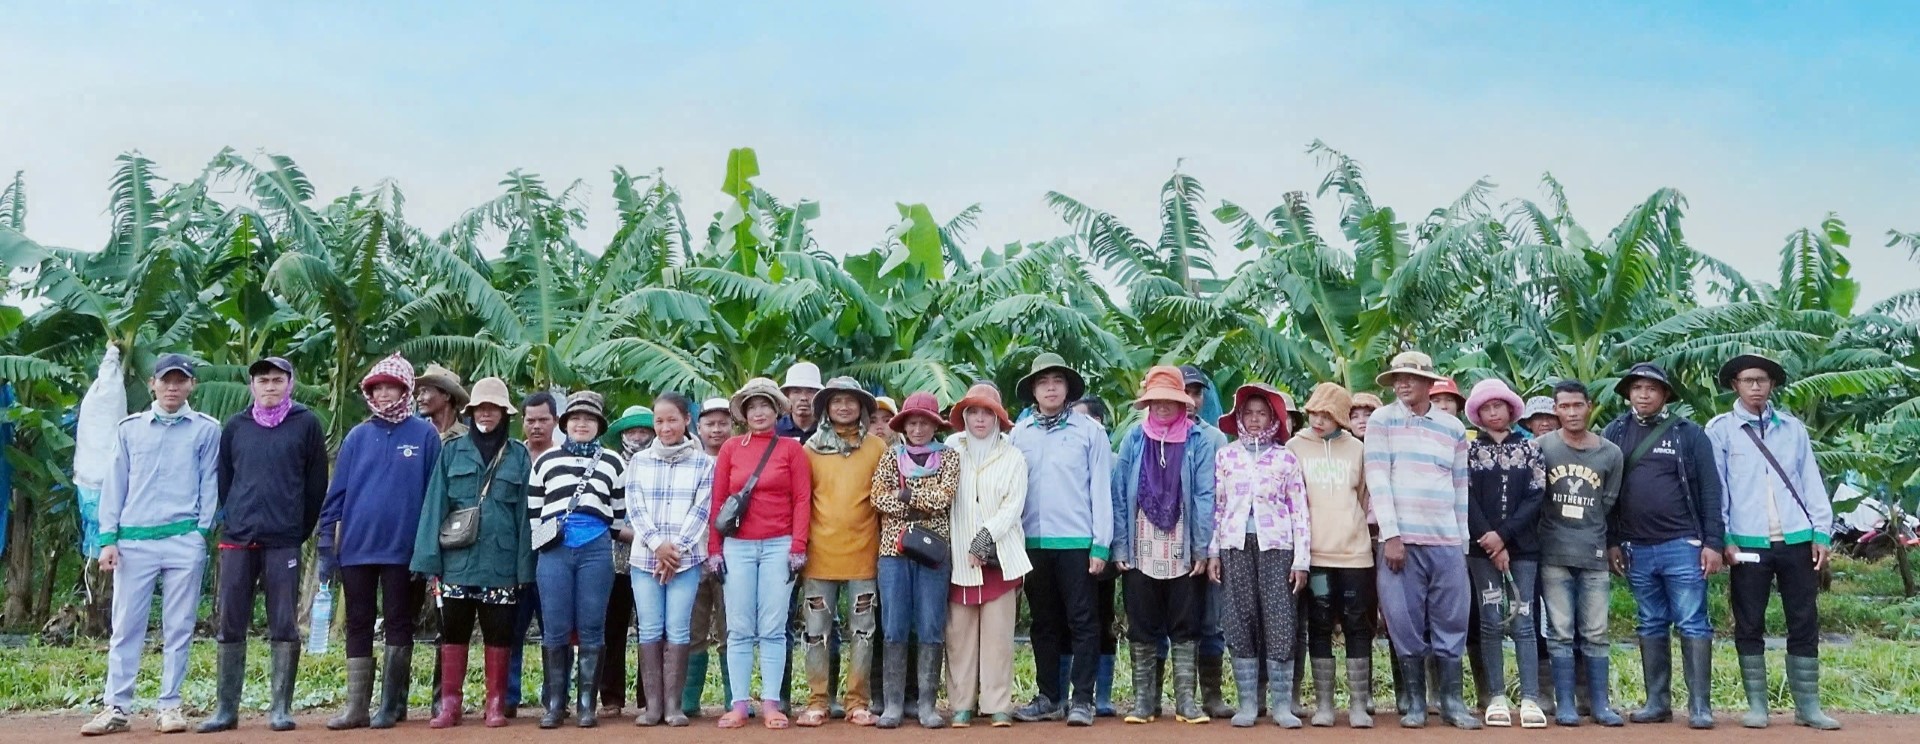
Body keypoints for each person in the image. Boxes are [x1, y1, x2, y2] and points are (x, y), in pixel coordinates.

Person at [79, 354, 222, 738]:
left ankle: (170, 706)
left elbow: (211, 483)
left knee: (179, 627)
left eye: (181, 380)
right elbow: (115, 484)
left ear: (192, 385)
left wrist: (200, 532)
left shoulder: (207, 430)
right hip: (134, 541)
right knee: (126, 627)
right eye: (166, 380)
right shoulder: (130, 430)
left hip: (183, 540)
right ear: (152, 384)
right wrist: (107, 538)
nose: (173, 387)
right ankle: (117, 707)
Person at [1707, 354, 1840, 730]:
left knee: (1804, 619)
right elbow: (1717, 490)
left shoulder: (1792, 429)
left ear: (1772, 385)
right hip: (1747, 541)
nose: (1755, 387)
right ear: (1735, 384)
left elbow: (1810, 480)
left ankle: (1808, 707)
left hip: (1796, 538)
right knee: (1749, 621)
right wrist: (1725, 537)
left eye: (1762, 381)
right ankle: (1757, 706)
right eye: (1748, 380)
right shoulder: (1720, 430)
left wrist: (1821, 531)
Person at [199, 357, 328, 733]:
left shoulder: (305, 424)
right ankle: (226, 710)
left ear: (290, 383)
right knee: (230, 623)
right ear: (251, 386)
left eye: (277, 380)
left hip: (283, 540)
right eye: (262, 380)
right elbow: (226, 481)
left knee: (284, 623)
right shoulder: (236, 426)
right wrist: (237, 519)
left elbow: (315, 485)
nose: (269, 386)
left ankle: (280, 709)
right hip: (238, 540)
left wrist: (294, 529)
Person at [318, 353, 442, 731]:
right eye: (377, 388)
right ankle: (356, 706)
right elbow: (336, 495)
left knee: (398, 622)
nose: (384, 394)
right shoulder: (358, 436)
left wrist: (428, 551)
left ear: (405, 390)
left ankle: (391, 705)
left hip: (403, 551)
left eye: (391, 387)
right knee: (358, 622)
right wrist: (326, 542)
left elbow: (435, 495)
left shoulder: (424, 435)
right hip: (357, 548)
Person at [1601, 363, 1724, 730]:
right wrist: (1611, 541)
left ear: (1665, 394)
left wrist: (1713, 543)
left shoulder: (1690, 435)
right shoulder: (1614, 433)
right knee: (1651, 620)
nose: (1643, 394)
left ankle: (1700, 706)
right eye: (1636, 388)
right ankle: (1657, 702)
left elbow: (1711, 491)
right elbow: (1606, 493)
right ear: (1628, 394)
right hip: (1635, 546)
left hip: (1682, 544)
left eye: (1652, 388)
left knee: (1692, 621)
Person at [411, 377, 534, 729]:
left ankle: (495, 705)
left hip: (501, 563)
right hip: (457, 563)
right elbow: (434, 506)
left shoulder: (518, 456)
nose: (486, 414)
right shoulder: (452, 451)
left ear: (504, 414)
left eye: (493, 409)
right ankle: (450, 705)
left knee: (499, 635)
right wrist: (428, 561)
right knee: (453, 633)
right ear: (471, 412)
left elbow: (525, 516)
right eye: (481, 408)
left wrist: (525, 569)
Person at [1365, 350, 1477, 730]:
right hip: (1401, 541)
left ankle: (1452, 702)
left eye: (1410, 376)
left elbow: (1460, 487)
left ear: (1430, 383)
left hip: (1445, 540)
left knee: (1452, 620)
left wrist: (1461, 544)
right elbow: (1378, 480)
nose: (1402, 382)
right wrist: (1392, 535)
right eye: (1397, 376)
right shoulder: (1382, 421)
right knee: (1404, 620)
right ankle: (1415, 703)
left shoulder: (1453, 428)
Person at [1111, 367, 1220, 726]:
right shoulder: (1133, 438)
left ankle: (1187, 702)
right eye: (1155, 400)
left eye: (1169, 400)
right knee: (1142, 622)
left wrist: (1202, 549)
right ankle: (1145, 701)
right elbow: (1119, 494)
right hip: (1141, 545)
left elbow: (1205, 494)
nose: (1161, 406)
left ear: (1181, 403)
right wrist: (1121, 547)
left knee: (1186, 623)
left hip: (1182, 544)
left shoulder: (1198, 440)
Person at [1009, 353, 1113, 726]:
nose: (1050, 387)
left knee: (1084, 622)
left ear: (1067, 388)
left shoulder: (1089, 432)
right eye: (1043, 382)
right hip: (1033, 544)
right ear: (1034, 390)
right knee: (1043, 623)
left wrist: (1101, 545)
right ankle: (1049, 696)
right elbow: (1011, 493)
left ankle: (1082, 699)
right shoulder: (1019, 434)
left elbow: (1101, 490)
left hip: (1077, 543)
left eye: (1057, 380)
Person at [706, 378, 812, 730]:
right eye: (752, 407)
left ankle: (770, 702)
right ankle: (738, 704)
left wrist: (798, 546)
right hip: (737, 546)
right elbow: (718, 501)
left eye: (765, 405)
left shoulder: (791, 450)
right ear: (745, 413)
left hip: (779, 544)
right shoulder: (731, 449)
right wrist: (714, 549)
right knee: (738, 628)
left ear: (775, 410)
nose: (759, 412)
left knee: (772, 627)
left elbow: (801, 499)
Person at [1211, 383, 1310, 728]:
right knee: (1240, 620)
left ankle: (1281, 706)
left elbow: (1299, 510)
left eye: (1261, 414)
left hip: (1278, 547)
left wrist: (1302, 560)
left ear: (1273, 419)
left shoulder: (1285, 458)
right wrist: (1213, 552)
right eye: (1248, 414)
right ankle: (1248, 704)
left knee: (1281, 619)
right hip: (1234, 546)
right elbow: (1218, 507)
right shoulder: (1226, 455)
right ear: (1239, 417)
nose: (1254, 420)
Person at [529, 391, 629, 729]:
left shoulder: (613, 462)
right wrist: (551, 538)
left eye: (589, 419)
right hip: (554, 550)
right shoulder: (545, 461)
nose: (582, 423)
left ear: (599, 426)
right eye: (575, 419)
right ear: (566, 424)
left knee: (591, 625)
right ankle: (555, 703)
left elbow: (618, 515)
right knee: (555, 625)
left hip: (596, 549)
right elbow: (534, 512)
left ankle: (587, 704)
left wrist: (595, 531)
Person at [796, 377, 888, 727]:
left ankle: (857, 702)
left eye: (851, 401)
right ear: (826, 408)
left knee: (863, 632)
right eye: (837, 402)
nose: (844, 407)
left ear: (863, 408)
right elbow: (802, 501)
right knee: (816, 632)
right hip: (820, 555)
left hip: (864, 554)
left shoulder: (877, 448)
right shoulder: (810, 450)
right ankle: (818, 700)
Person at [1287, 382, 1376, 729]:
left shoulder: (1357, 449)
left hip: (1355, 555)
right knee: (1319, 625)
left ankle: (1357, 706)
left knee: (1358, 625)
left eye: (1327, 415)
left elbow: (1364, 496)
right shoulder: (1295, 447)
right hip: (1316, 556)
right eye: (1314, 413)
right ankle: (1324, 705)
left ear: (1341, 418)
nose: (1319, 420)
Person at [1536, 380, 1625, 727]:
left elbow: (1608, 503)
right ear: (1555, 410)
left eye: (1577, 405)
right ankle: (1567, 704)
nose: (1571, 413)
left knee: (1596, 631)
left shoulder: (1610, 453)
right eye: (1564, 407)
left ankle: (1600, 705)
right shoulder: (1541, 447)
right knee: (1559, 630)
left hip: (1593, 552)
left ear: (1589, 406)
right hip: (1553, 552)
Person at [870, 391, 961, 728]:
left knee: (930, 624)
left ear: (935, 426)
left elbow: (944, 497)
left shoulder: (949, 457)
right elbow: (878, 498)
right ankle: (893, 704)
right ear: (904, 425)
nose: (918, 429)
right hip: (893, 552)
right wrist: (920, 502)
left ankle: (926, 704)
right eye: (912, 422)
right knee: (894, 625)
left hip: (934, 552)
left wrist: (906, 494)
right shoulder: (890, 456)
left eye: (925, 422)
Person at [625, 392, 715, 727]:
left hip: (686, 560)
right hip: (645, 559)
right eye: (659, 421)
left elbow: (702, 510)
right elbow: (635, 508)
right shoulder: (640, 462)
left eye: (672, 420)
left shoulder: (703, 463)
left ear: (687, 420)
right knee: (649, 627)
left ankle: (674, 706)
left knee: (678, 628)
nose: (665, 427)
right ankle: (653, 707)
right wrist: (657, 546)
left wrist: (674, 551)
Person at [1463, 379, 1547, 728]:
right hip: (1480, 551)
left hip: (1523, 549)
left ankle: (1530, 697)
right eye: (1486, 407)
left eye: (1499, 406)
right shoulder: (1467, 451)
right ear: (1478, 414)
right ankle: (1495, 695)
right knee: (1491, 620)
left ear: (1512, 410)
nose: (1493, 412)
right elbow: (1464, 496)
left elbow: (1536, 495)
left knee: (1524, 622)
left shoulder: (1531, 450)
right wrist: (1487, 537)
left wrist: (1504, 536)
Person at [945, 382, 1030, 729]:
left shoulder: (1012, 455)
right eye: (973, 412)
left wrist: (985, 538)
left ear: (998, 417)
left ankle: (997, 704)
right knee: (959, 636)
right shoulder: (952, 450)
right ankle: (962, 704)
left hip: (1001, 557)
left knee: (998, 637)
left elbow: (1014, 505)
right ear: (964, 416)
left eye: (987, 412)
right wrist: (967, 543)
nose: (980, 419)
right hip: (957, 557)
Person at [1178, 366, 1236, 722]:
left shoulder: (1215, 438)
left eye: (1197, 393)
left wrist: (1212, 546)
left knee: (1212, 621)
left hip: (1212, 543)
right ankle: (1166, 696)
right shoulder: (1150, 435)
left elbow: (1221, 495)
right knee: (1174, 622)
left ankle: (1212, 695)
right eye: (1184, 391)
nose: (1190, 400)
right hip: (1168, 545)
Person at [599, 404, 656, 719]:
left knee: (650, 628)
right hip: (615, 559)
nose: (637, 436)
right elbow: (601, 509)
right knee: (613, 628)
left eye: (643, 430)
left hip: (652, 559)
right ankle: (611, 697)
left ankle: (650, 697)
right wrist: (629, 534)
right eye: (631, 431)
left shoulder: (659, 462)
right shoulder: (609, 464)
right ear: (621, 435)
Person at [506, 390, 560, 716]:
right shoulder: (512, 457)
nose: (536, 426)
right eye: (531, 420)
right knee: (511, 629)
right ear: (522, 422)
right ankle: (508, 698)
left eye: (543, 420)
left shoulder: (566, 458)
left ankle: (554, 697)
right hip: (514, 559)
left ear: (554, 421)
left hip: (554, 558)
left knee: (553, 630)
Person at [682, 397, 736, 719]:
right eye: (710, 424)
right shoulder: (688, 460)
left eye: (722, 423)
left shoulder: (741, 458)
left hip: (732, 555)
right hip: (693, 555)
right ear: (697, 427)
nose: (716, 430)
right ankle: (689, 699)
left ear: (732, 425)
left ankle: (734, 697)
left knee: (732, 628)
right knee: (693, 629)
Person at [1068, 395, 1121, 717]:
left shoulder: (1112, 460)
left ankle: (1101, 695)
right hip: (1070, 550)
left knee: (1101, 622)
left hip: (1103, 554)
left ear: (1098, 422)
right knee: (1066, 622)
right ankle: (1062, 693)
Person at [417, 363, 471, 441]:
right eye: (419, 393)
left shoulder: (467, 437)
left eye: (425, 391)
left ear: (446, 396)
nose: (419, 398)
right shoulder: (416, 434)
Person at [778, 362, 824, 440]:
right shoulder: (776, 430)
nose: (803, 398)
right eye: (796, 391)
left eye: (810, 391)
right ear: (787, 395)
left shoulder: (828, 430)